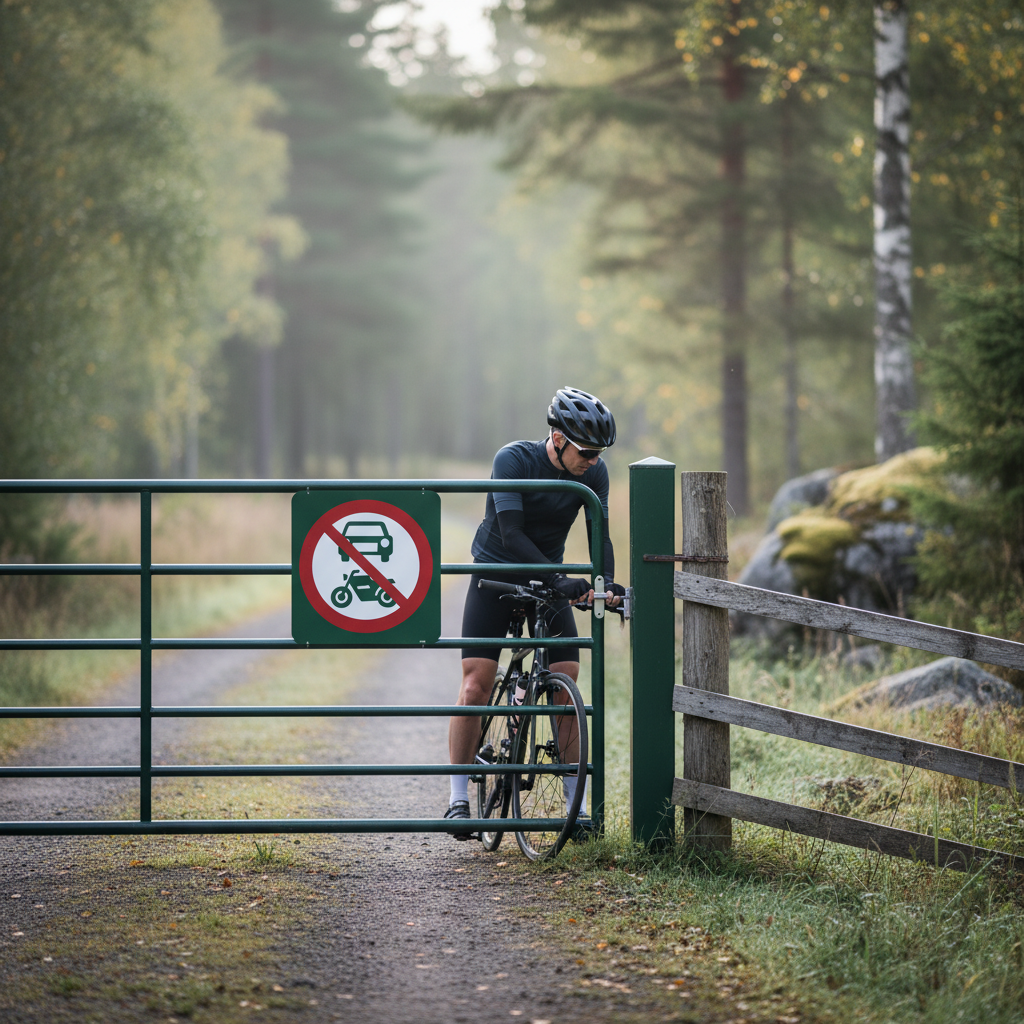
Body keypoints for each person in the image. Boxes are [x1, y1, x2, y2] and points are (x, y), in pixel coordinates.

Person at [444, 386, 625, 835]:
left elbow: (599, 536)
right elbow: (511, 535)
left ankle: (575, 812)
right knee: (476, 683)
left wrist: (604, 584)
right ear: (557, 437)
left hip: (547, 578)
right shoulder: (513, 460)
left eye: (599, 452)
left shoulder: (592, 473)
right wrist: (559, 579)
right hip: (497, 575)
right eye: (585, 450)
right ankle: (458, 799)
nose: (592, 460)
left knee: (566, 684)